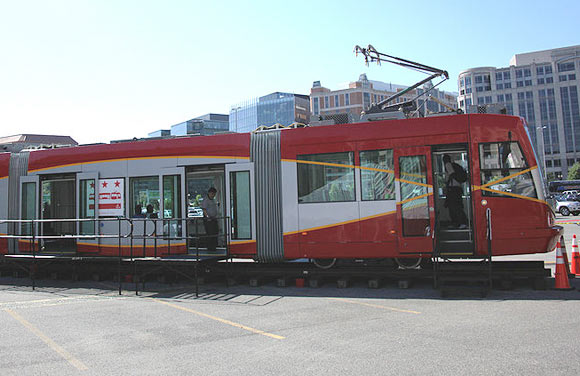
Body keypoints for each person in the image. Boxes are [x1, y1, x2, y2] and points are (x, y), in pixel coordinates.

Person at [443, 154, 468, 229]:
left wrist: (447, 185)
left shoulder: (448, 165)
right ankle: (460, 222)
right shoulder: (455, 165)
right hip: (458, 188)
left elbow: (452, 175)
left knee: (454, 207)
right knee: (457, 206)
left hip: (453, 189)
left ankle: (459, 222)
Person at [200, 187, 219, 251]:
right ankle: (210, 247)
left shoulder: (213, 199)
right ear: (209, 193)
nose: (213, 195)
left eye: (214, 194)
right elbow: (204, 209)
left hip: (214, 218)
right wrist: (208, 217)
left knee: (215, 232)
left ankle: (214, 246)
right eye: (212, 194)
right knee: (210, 233)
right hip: (209, 219)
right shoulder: (206, 200)